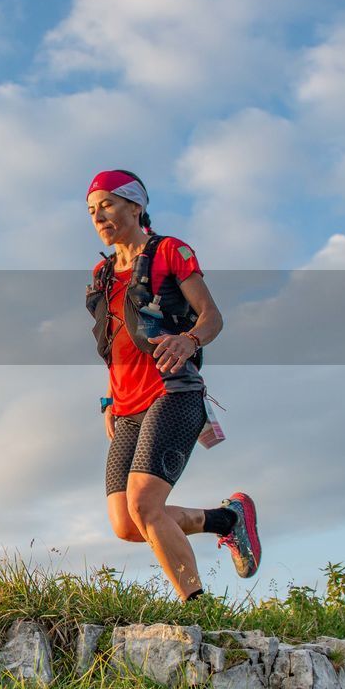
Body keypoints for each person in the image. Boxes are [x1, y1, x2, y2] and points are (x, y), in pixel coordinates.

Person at [84, 169, 260, 602]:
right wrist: (109, 398)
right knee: (127, 524)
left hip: (174, 393)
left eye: (107, 204)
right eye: (92, 211)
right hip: (126, 406)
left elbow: (212, 316)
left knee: (146, 507)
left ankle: (198, 609)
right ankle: (227, 521)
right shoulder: (102, 273)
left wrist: (189, 338)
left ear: (136, 206)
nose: (99, 216)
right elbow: (117, 345)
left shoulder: (169, 252)